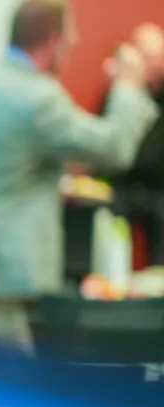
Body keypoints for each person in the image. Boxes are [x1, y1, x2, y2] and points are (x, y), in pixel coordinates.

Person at [0, 0, 159, 350]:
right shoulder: (37, 98)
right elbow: (113, 148)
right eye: (70, 38)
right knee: (1, 378)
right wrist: (129, 86)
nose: (73, 44)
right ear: (53, 41)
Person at [101, 23, 164, 265]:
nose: (154, 64)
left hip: (159, 189)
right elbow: (106, 138)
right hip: (123, 186)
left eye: (158, 57)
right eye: (148, 57)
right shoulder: (120, 92)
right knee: (108, 221)